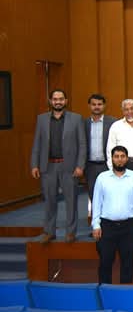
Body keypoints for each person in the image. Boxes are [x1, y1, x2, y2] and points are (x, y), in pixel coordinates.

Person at [31, 89, 87, 244]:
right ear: (50, 101)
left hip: (69, 167)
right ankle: (49, 232)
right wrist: (34, 165)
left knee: (71, 201)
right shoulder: (42, 119)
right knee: (49, 201)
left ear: (66, 101)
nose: (58, 102)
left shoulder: (76, 118)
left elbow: (82, 144)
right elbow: (37, 143)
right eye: (55, 99)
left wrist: (80, 165)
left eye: (61, 99)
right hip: (48, 166)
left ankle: (71, 232)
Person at [91, 146, 133, 284]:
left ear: (127, 158)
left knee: (128, 263)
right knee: (105, 262)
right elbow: (96, 203)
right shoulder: (102, 178)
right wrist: (95, 225)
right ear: (112, 159)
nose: (119, 159)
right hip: (107, 227)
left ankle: (124, 293)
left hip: (129, 227)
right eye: (116, 156)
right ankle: (105, 291)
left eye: (122, 156)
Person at [85, 93, 116, 203]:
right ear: (89, 106)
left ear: (104, 106)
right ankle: (95, 214)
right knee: (93, 194)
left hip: (107, 165)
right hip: (90, 166)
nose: (97, 107)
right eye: (94, 104)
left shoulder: (113, 122)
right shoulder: (84, 123)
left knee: (109, 194)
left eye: (99, 104)